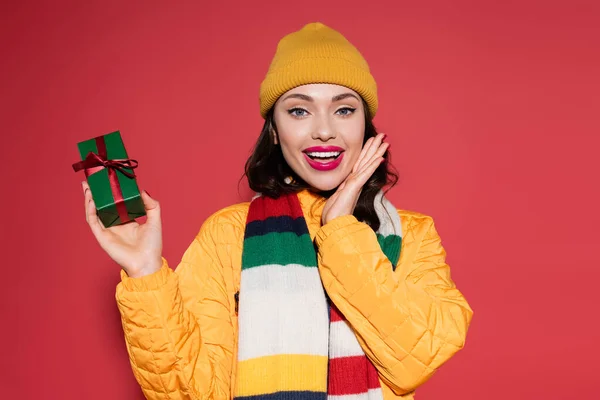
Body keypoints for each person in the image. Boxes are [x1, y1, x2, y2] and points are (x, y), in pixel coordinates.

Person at [82, 22, 472, 400]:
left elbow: (414, 360)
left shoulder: (413, 235)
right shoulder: (227, 234)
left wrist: (339, 232)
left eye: (344, 110)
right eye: (299, 111)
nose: (323, 131)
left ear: (365, 127)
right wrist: (145, 274)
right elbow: (193, 394)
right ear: (273, 130)